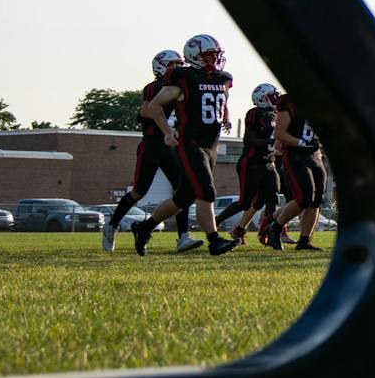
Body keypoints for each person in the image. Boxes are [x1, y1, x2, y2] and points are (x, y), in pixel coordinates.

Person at [131, 33, 238, 256]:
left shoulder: (223, 78)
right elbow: (153, 107)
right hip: (190, 143)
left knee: (183, 198)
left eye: (215, 55)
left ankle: (144, 227)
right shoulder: (183, 78)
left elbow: (221, 102)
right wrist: (167, 132)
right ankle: (214, 240)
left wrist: (226, 117)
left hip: (211, 144)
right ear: (194, 56)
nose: (213, 60)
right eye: (208, 55)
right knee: (206, 191)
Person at [104, 49, 189, 252]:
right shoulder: (155, 87)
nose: (178, 69)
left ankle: (183, 236)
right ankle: (112, 225)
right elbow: (144, 112)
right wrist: (168, 123)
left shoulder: (181, 89)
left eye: (180, 65)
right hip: (152, 145)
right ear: (161, 67)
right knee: (138, 192)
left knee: (182, 191)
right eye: (174, 65)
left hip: (171, 147)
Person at [224, 84, 283, 247]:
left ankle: (269, 233)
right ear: (262, 98)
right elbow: (249, 140)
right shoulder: (255, 113)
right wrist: (272, 141)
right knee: (245, 202)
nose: (276, 99)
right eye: (272, 96)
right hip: (252, 163)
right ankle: (215, 222)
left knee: (272, 200)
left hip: (269, 163)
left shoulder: (275, 114)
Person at [274, 87, 328, 250]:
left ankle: (304, 241)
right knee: (304, 198)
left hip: (314, 154)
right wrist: (301, 143)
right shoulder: (289, 101)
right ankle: (274, 228)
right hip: (295, 154)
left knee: (317, 200)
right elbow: (279, 132)